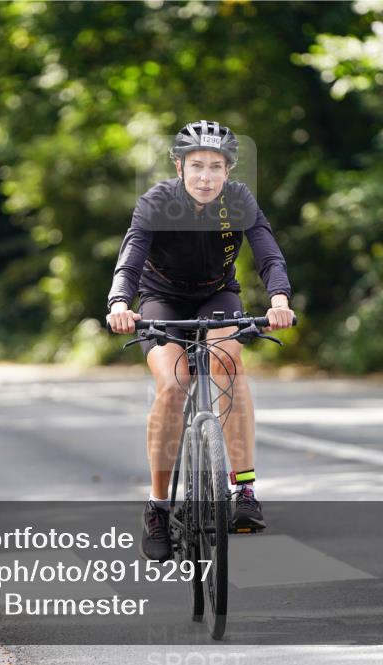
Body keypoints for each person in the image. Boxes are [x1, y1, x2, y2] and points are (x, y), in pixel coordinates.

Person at [106, 120, 295, 561]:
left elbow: (268, 253)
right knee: (172, 387)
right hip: (162, 298)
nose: (206, 176)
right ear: (180, 167)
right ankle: (157, 506)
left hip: (217, 294)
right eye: (196, 166)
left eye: (215, 166)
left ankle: (244, 491)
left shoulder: (239, 201)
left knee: (228, 363)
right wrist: (119, 303)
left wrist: (280, 299)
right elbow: (131, 258)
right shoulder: (157, 202)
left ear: (228, 171)